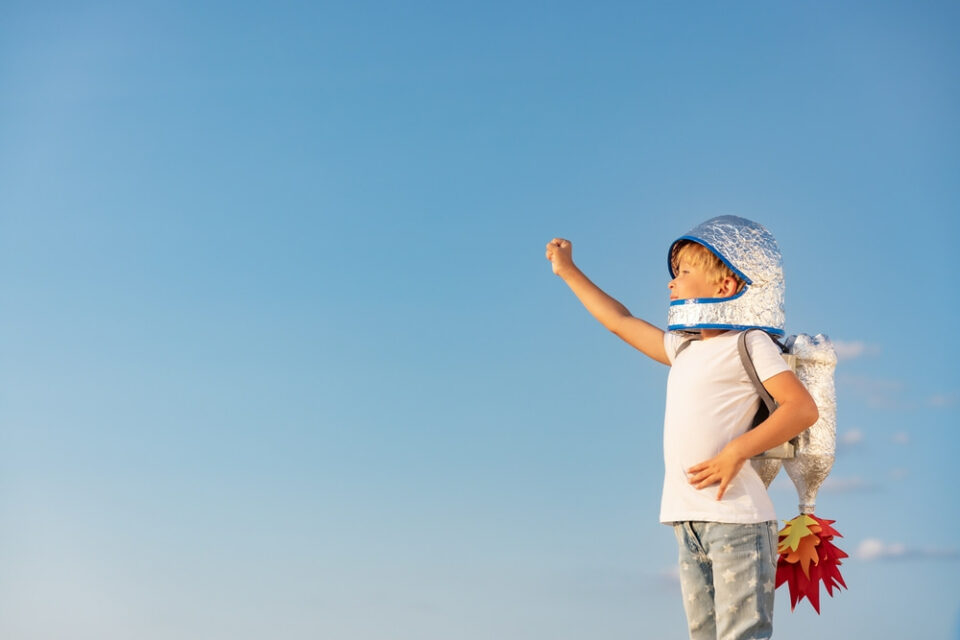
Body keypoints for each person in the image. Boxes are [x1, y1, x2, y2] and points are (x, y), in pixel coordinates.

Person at [544, 218, 819, 640]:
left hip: (736, 521)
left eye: (685, 273)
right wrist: (568, 271)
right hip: (687, 520)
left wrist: (736, 451)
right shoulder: (684, 348)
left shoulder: (750, 343)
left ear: (726, 286)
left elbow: (801, 409)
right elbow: (619, 320)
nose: (672, 284)